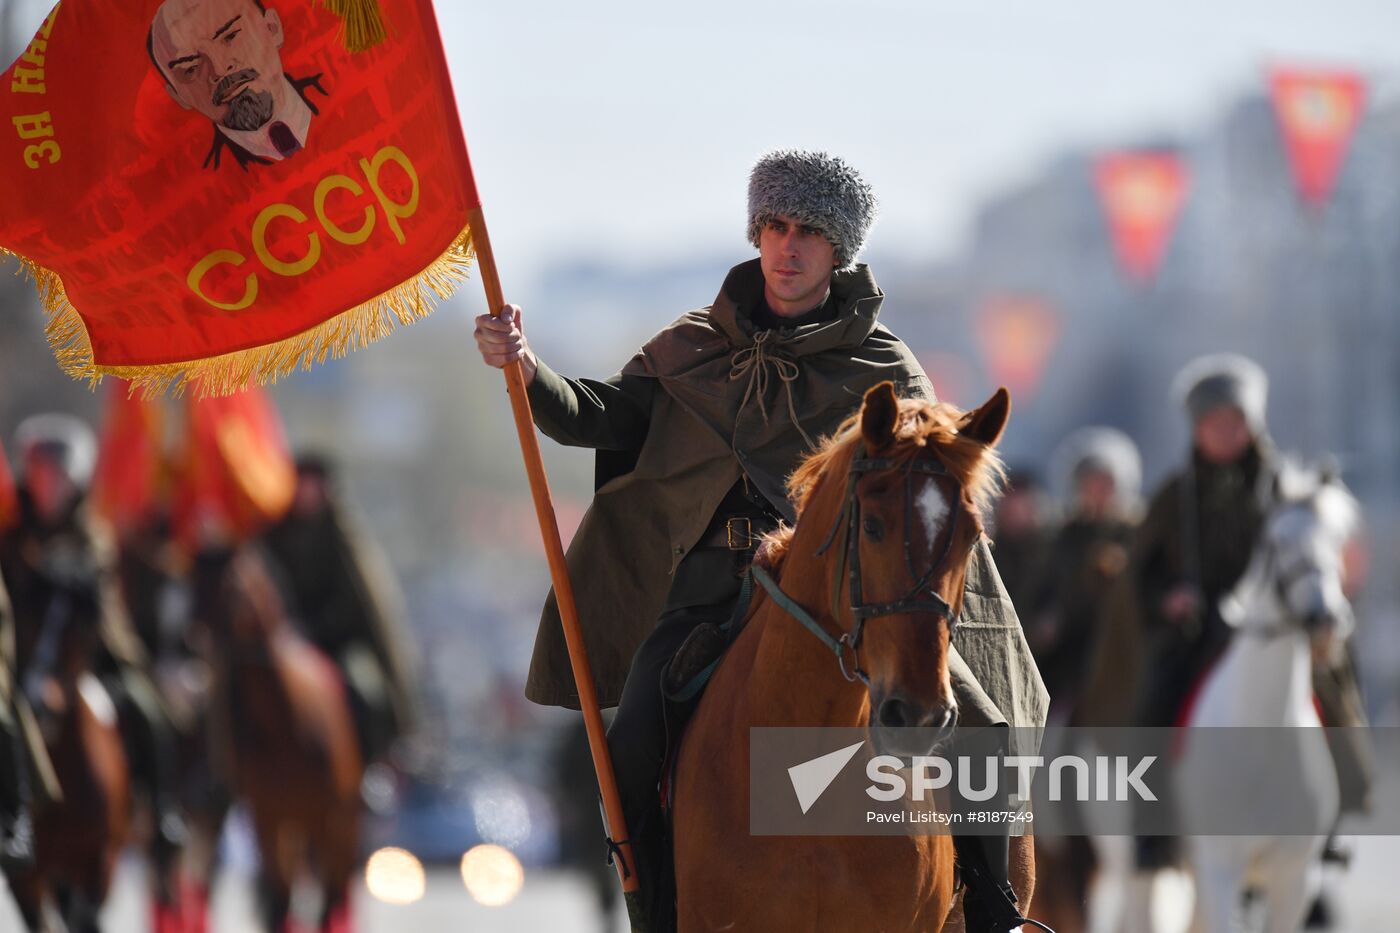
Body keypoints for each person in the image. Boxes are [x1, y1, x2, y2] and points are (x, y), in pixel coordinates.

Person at [475, 150, 1048, 933]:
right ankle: (656, 912)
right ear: (757, 234)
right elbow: (598, 416)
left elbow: (929, 484)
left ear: (837, 249)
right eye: (775, 226)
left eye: (809, 230)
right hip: (710, 590)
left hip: (854, 593)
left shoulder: (883, 363)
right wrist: (529, 368)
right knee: (634, 732)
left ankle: (993, 906)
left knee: (977, 719)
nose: (788, 246)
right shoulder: (691, 347)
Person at [1127, 354, 1371, 866]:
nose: (1225, 432)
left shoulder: (1288, 489)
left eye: (1235, 421)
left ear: (1252, 423)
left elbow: (1320, 549)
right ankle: (1153, 829)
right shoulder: (1175, 495)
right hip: (1202, 628)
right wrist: (1168, 598)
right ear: (1196, 429)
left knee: (1334, 681)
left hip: (1277, 623)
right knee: (1154, 701)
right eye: (1213, 423)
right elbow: (1141, 573)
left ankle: (1341, 809)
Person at [0, 415, 186, 857]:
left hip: (89, 657)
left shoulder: (92, 534)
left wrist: (66, 675)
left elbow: (93, 607)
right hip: (20, 658)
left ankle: (162, 811)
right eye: (41, 476)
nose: (49, 487)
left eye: (58, 477)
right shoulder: (11, 534)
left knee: (146, 707)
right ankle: (15, 816)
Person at [260, 455, 419, 767]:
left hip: (337, 644)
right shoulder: (273, 538)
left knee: (366, 691)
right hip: (283, 643)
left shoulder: (342, 539)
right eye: (301, 483)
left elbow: (353, 603)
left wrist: (318, 629)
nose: (307, 491)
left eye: (313, 484)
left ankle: (370, 766)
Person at [1030, 428, 1141, 722]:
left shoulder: (1135, 534)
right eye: (1089, 483)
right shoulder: (1063, 536)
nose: (1097, 491)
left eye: (1105, 483)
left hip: (1121, 652)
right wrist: (1047, 618)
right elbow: (1047, 587)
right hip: (1067, 657)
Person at [148, 0, 327, 170]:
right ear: (178, 96)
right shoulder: (205, 180)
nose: (219, 69)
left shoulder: (336, 84)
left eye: (230, 36)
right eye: (191, 68)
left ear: (272, 28)